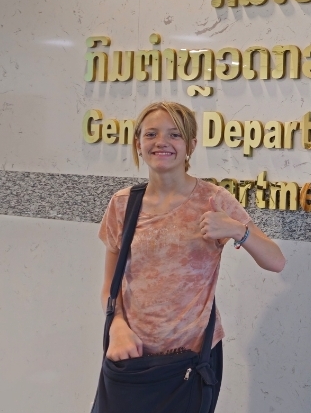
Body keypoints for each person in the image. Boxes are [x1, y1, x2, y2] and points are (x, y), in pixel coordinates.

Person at [98, 101, 285, 411]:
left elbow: (276, 261)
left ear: (191, 145)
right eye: (151, 134)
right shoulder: (123, 204)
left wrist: (237, 229)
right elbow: (110, 285)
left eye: (174, 135)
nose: (162, 142)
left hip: (193, 360)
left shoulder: (213, 200)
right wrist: (117, 327)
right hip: (131, 354)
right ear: (138, 143)